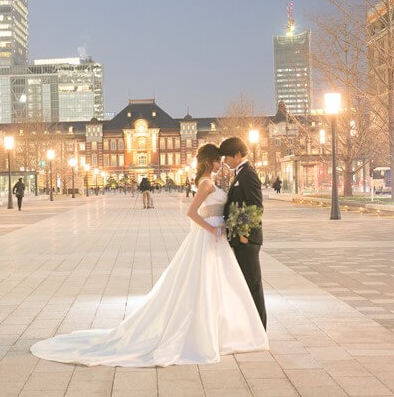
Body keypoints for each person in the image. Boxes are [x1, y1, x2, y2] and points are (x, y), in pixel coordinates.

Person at [30, 143, 268, 367]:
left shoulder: (215, 181)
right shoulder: (206, 183)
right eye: (219, 160)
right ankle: (208, 332)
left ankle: (220, 330)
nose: (222, 163)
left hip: (218, 240)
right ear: (210, 161)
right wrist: (214, 228)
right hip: (210, 236)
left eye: (223, 159)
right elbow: (191, 212)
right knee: (205, 284)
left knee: (217, 283)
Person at [220, 137, 267, 329]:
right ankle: (251, 327)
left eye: (227, 157)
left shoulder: (248, 174)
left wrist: (243, 234)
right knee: (246, 284)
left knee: (253, 284)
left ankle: (259, 329)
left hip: (247, 240)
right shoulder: (240, 173)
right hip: (240, 240)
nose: (224, 161)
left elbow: (256, 206)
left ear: (237, 155)